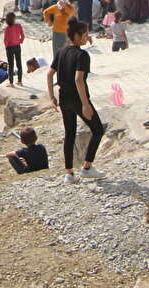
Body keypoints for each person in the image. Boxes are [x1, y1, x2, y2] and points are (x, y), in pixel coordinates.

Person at [47, 21, 105, 184]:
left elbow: (50, 74)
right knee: (98, 129)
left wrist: (52, 97)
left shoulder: (61, 52)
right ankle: (87, 168)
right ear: (77, 36)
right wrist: (86, 105)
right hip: (78, 99)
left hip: (64, 99)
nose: (88, 37)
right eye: (85, 34)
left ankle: (69, 174)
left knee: (69, 134)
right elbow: (79, 80)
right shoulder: (82, 55)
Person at [2, 12, 24, 86]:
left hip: (10, 47)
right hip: (17, 46)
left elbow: (6, 39)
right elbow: (22, 35)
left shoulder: (7, 28)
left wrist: (6, 45)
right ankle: (20, 80)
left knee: (11, 65)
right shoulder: (19, 26)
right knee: (19, 63)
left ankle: (11, 82)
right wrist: (20, 41)